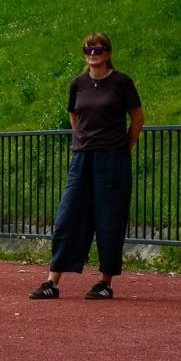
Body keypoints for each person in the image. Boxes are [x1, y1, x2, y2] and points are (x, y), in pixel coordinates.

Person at [29, 32, 144, 300]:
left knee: (109, 218)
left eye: (98, 49)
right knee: (67, 216)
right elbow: (74, 115)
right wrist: (82, 139)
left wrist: (124, 146)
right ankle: (52, 282)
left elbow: (137, 117)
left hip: (112, 159)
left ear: (109, 53)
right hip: (82, 157)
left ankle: (105, 282)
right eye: (88, 49)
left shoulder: (121, 82)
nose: (93, 54)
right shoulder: (77, 84)